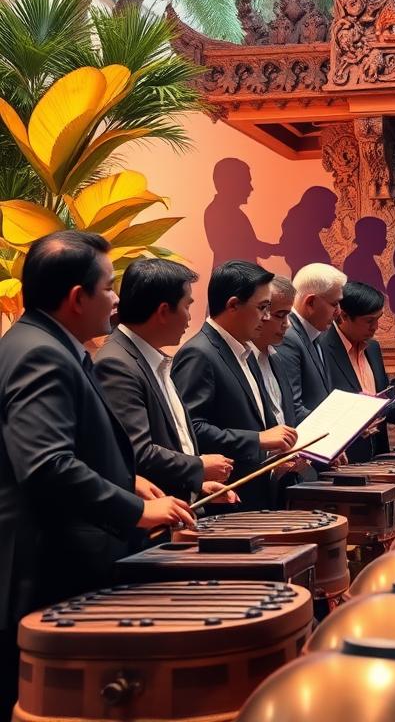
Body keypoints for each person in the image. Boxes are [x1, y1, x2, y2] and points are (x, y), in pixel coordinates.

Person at [0, 232, 194, 716]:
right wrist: (136, 510)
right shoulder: (39, 353)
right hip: (48, 565)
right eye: (109, 287)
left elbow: (65, 446)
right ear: (77, 297)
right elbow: (45, 465)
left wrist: (124, 478)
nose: (115, 300)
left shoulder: (46, 342)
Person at [96, 258, 237, 504]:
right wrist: (198, 466)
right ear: (163, 311)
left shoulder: (148, 356)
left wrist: (196, 485)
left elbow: (172, 439)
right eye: (187, 306)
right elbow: (137, 452)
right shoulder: (116, 364)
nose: (189, 319)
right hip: (146, 524)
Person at [173, 261, 298, 509]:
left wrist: (278, 452)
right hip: (226, 498)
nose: (266, 317)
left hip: (258, 494)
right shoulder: (199, 354)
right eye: (262, 307)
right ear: (232, 305)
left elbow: (257, 420)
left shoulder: (244, 350)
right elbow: (192, 429)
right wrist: (258, 440)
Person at [322, 281, 395, 461]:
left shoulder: (373, 348)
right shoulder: (321, 349)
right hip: (342, 459)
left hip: (378, 457)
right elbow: (320, 409)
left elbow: (381, 400)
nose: (376, 327)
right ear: (343, 316)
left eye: (378, 318)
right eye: (369, 321)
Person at [250, 275, 314, 497]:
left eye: (288, 315)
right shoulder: (240, 360)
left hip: (281, 478)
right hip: (247, 486)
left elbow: (286, 417)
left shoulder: (276, 357)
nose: (287, 324)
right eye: (280, 315)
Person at [275, 263, 347, 423]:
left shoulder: (317, 332)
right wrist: (346, 423)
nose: (339, 311)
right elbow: (294, 410)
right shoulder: (287, 337)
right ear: (311, 303)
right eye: (334, 304)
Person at [203, 158, 277, 269]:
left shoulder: (228, 212)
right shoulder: (219, 213)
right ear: (231, 183)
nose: (251, 188)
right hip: (233, 282)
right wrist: (277, 249)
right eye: (246, 182)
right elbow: (241, 248)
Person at [343, 216, 388, 292]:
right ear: (371, 239)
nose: (385, 243)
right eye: (382, 238)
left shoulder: (359, 259)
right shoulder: (357, 262)